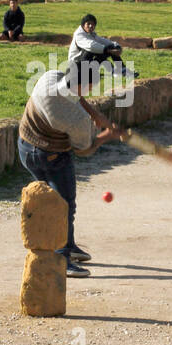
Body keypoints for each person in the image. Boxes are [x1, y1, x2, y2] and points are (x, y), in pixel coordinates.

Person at [18, 68, 122, 276]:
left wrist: (97, 115)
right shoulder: (75, 119)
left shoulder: (51, 77)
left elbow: (77, 96)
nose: (92, 90)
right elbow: (84, 149)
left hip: (25, 147)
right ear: (82, 85)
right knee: (63, 205)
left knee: (56, 203)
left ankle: (68, 245)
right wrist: (107, 135)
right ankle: (61, 257)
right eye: (90, 86)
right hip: (52, 156)